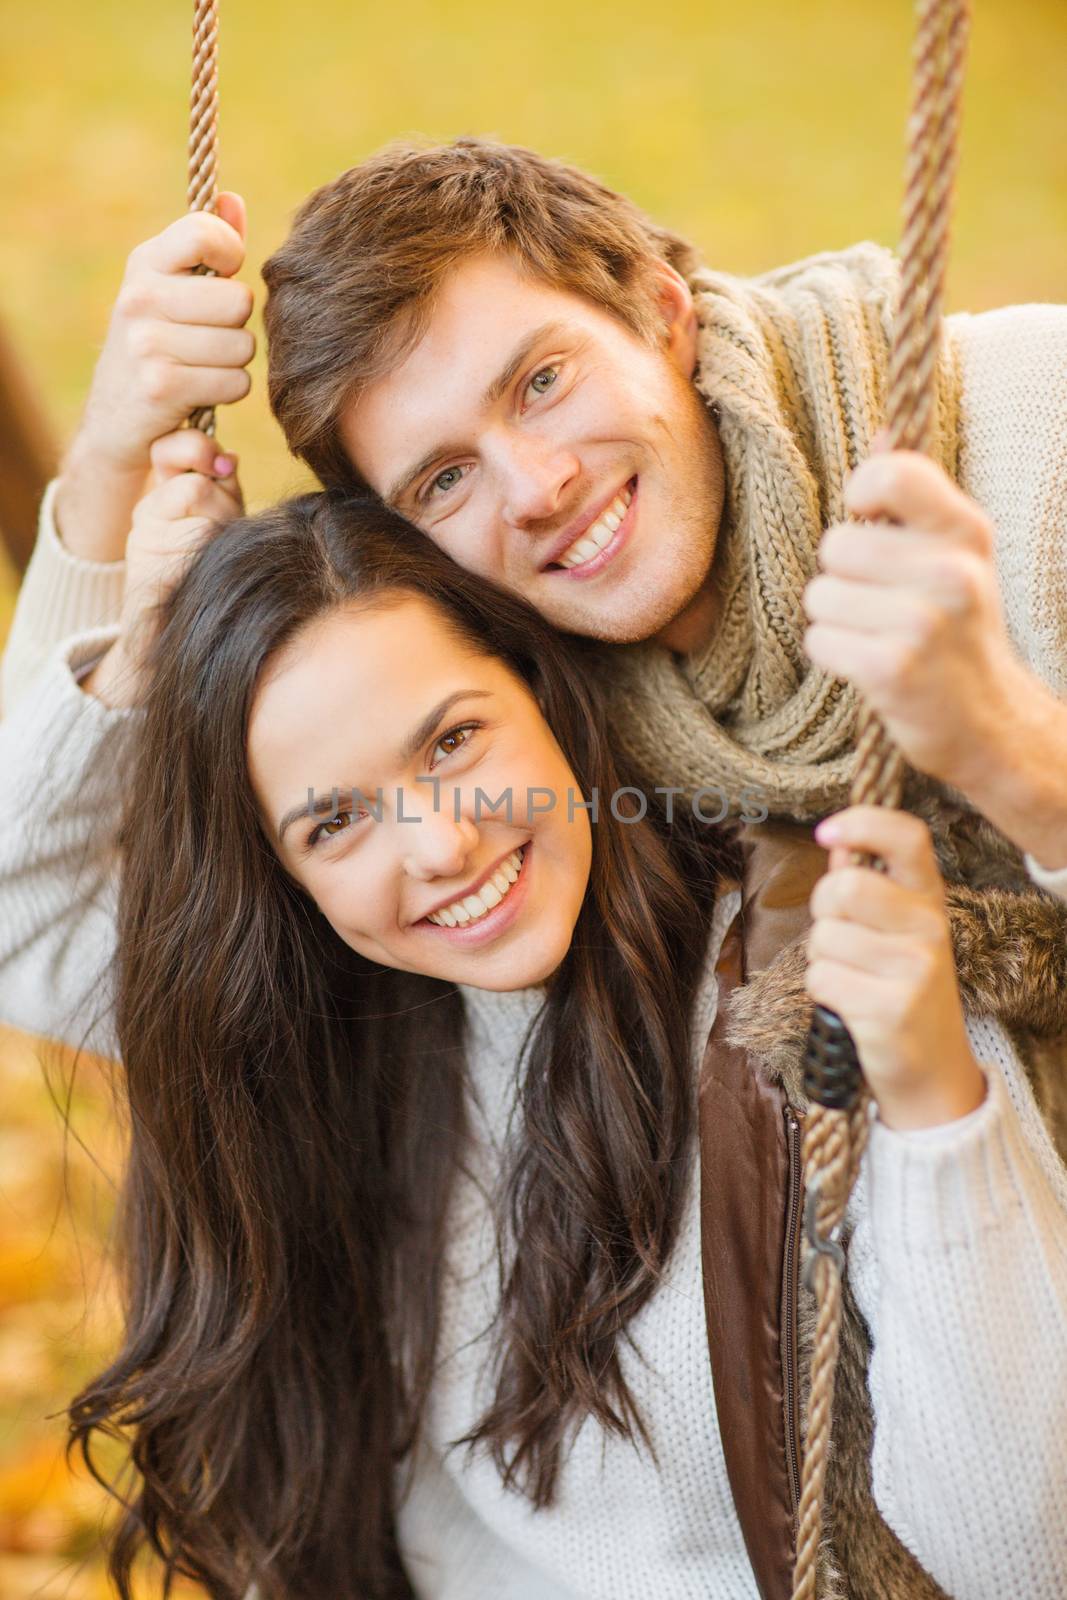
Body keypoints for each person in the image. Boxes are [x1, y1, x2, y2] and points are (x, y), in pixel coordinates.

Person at [2, 138, 1067, 1594]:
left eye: (543, 377)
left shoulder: (809, 984)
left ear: (661, 308)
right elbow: (27, 917)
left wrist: (1006, 754)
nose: (543, 483)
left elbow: (1025, 1546)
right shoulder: (346, 1005)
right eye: (330, 822)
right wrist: (116, 506)